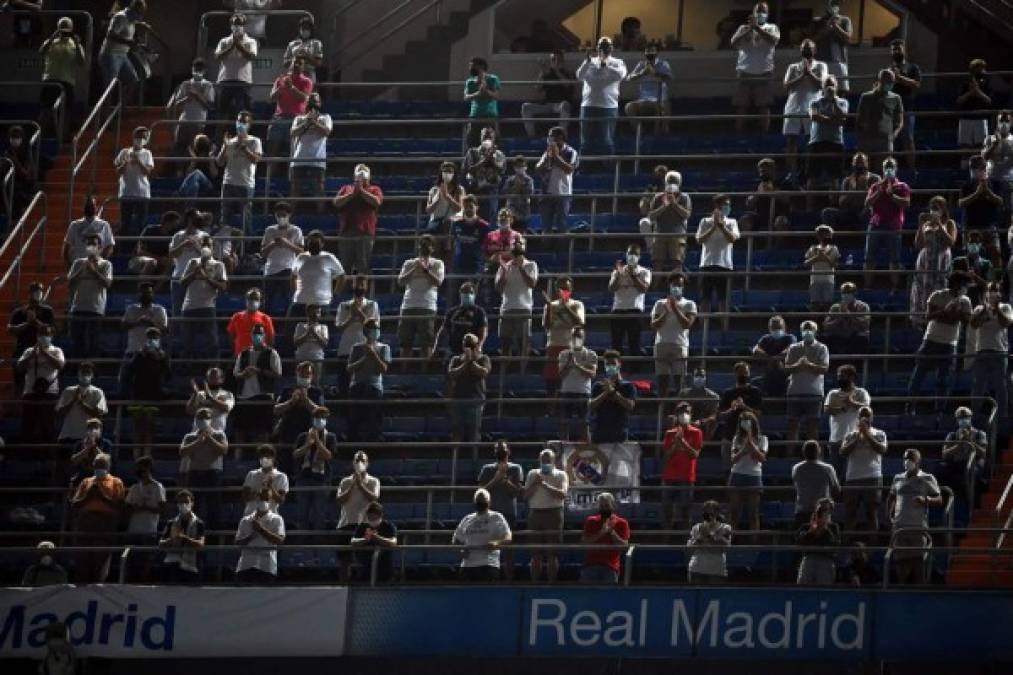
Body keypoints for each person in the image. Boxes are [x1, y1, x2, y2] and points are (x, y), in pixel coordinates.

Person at [906, 272, 972, 414]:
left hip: (950, 344)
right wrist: (946, 311)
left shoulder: (965, 301)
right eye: (964, 285)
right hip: (931, 340)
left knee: (944, 380)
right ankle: (909, 406)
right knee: (918, 375)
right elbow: (929, 316)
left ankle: (939, 410)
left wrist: (953, 313)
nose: (966, 288)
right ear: (956, 284)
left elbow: (965, 320)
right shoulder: (938, 295)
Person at [887, 449, 942, 584]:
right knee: (901, 567)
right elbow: (891, 497)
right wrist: (890, 516)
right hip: (900, 529)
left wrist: (925, 500)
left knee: (919, 566)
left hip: (918, 528)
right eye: (905, 459)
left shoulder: (928, 478)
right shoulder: (897, 478)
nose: (907, 462)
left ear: (918, 461)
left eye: (911, 459)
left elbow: (939, 499)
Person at [70, 454, 125, 583]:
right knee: (82, 558)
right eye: (97, 464)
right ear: (93, 465)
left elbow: (120, 505)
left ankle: (98, 585)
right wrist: (88, 496)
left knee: (101, 559)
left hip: (105, 524)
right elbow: (75, 504)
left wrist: (102, 496)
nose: (99, 467)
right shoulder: (86, 482)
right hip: (85, 523)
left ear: (108, 466)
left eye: (102, 465)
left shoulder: (116, 482)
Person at [730, 2, 780, 134]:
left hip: (764, 72)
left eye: (763, 11)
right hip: (744, 72)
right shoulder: (743, 28)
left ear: (768, 14)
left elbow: (773, 41)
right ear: (753, 12)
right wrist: (749, 29)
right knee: (742, 106)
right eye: (758, 11)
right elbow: (733, 43)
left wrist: (757, 28)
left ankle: (764, 135)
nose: (761, 13)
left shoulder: (772, 27)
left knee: (764, 106)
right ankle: (738, 135)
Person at [477, 441, 524, 580]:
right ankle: (488, 580)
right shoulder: (487, 469)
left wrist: (504, 480)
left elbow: (517, 493)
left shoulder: (516, 468)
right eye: (498, 449)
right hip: (489, 513)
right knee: (488, 549)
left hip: (508, 513)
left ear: (509, 451)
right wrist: (495, 479)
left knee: (508, 551)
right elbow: (480, 492)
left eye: (503, 449)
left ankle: (509, 581)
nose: (501, 451)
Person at [864, 157, 910, 294]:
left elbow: (906, 203)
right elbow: (867, 203)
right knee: (869, 258)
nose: (889, 169)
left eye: (891, 167)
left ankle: (894, 288)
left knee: (894, 259)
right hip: (876, 224)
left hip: (893, 225)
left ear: (896, 169)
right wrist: (879, 192)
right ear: (883, 169)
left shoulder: (902, 186)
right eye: (886, 167)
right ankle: (867, 286)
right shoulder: (875, 186)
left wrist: (891, 195)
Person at [232, 324, 282, 452]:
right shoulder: (243, 353)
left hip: (263, 395)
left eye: (260, 333)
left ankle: (263, 455)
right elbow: (236, 374)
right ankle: (239, 455)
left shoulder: (272, 353)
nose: (257, 336)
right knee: (240, 428)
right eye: (255, 333)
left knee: (263, 429)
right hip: (244, 395)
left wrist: (259, 371)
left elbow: (277, 373)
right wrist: (244, 373)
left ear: (264, 335)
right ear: (251, 335)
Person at [123, 328, 172, 455]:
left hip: (154, 395)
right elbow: (130, 371)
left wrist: (161, 359)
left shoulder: (163, 356)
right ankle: (136, 455)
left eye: (155, 338)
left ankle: (146, 455)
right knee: (138, 427)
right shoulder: (139, 354)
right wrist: (142, 355)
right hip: (138, 394)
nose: (152, 340)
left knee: (149, 427)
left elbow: (168, 376)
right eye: (150, 337)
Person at [179, 234, 227, 363]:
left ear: (213, 248)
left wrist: (207, 278)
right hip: (189, 306)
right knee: (186, 342)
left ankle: (214, 369)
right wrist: (194, 273)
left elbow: (223, 287)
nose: (206, 247)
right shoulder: (193, 262)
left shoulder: (219, 265)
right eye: (204, 245)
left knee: (212, 342)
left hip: (208, 307)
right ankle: (185, 370)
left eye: (209, 245)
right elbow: (182, 283)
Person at [782, 40, 827, 174]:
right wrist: (803, 75)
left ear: (815, 50)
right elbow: (786, 86)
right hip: (793, 105)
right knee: (791, 140)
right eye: (803, 48)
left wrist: (810, 73)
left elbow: (822, 85)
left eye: (809, 48)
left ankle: (809, 171)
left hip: (813, 106)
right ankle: (792, 172)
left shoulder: (821, 66)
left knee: (811, 140)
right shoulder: (793, 67)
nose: (806, 50)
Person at [910, 197, 957, 325]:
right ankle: (922, 321)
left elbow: (951, 242)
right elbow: (918, 244)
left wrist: (940, 225)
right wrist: (920, 225)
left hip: (942, 259)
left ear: (943, 209)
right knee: (922, 288)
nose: (933, 210)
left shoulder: (949, 223)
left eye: (936, 208)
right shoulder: (926, 225)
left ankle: (939, 318)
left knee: (940, 287)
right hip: (926, 260)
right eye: (932, 208)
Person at [576, 36, 626, 155]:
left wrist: (605, 65)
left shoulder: (618, 62)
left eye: (606, 45)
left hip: (608, 107)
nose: (604, 48)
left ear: (612, 48)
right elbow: (579, 76)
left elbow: (621, 75)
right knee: (586, 142)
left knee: (607, 141)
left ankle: (609, 169)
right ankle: (584, 168)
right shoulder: (590, 61)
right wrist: (587, 63)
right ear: (597, 47)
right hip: (588, 105)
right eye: (601, 45)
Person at [841, 406, 887, 534]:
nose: (865, 418)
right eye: (862, 415)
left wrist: (867, 435)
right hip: (852, 478)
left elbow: (882, 450)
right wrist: (857, 437)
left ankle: (872, 549)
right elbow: (843, 452)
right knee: (850, 514)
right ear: (858, 418)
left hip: (872, 477)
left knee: (872, 514)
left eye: (867, 415)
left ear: (872, 417)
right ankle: (847, 547)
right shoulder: (850, 435)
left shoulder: (880, 433)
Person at [524, 448, 569, 584]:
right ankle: (535, 583)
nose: (545, 462)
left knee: (552, 553)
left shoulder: (561, 474)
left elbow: (563, 494)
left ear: (553, 460)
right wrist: (534, 483)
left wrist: (544, 484)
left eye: (547, 460)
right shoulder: (532, 474)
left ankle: (551, 583)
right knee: (535, 553)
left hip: (554, 513)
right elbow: (525, 495)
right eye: (543, 460)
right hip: (535, 513)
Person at [398, 235, 445, 362]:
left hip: (427, 306)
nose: (425, 247)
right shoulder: (409, 263)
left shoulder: (437, 263)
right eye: (423, 244)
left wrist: (425, 270)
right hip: (408, 305)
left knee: (426, 343)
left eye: (429, 244)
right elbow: (401, 281)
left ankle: (424, 373)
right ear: (419, 246)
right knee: (405, 343)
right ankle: (404, 372)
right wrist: (414, 268)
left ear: (433, 248)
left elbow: (438, 282)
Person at [784, 321, 831, 448]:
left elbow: (824, 369)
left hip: (814, 393)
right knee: (792, 426)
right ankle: (790, 456)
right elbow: (787, 368)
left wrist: (809, 365)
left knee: (812, 427)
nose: (807, 331)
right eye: (805, 329)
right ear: (801, 331)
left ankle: (813, 456)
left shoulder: (822, 348)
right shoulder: (793, 348)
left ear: (815, 331)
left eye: (810, 329)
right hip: (794, 392)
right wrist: (798, 365)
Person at [695, 194, 739, 329]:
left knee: (723, 299)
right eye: (725, 204)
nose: (728, 207)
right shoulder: (705, 221)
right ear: (717, 206)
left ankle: (724, 329)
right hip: (707, 264)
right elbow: (699, 239)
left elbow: (733, 239)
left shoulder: (732, 222)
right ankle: (704, 328)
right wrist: (713, 227)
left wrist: (722, 226)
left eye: (729, 205)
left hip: (724, 265)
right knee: (705, 299)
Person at [179, 408, 228, 529]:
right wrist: (198, 441)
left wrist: (209, 439)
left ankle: (214, 538)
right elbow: (182, 452)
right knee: (193, 506)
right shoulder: (189, 436)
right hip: (195, 473)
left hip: (212, 474)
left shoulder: (219, 434)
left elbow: (223, 450)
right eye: (200, 418)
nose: (202, 420)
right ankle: (192, 532)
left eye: (205, 417)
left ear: (211, 419)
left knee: (214, 507)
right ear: (196, 420)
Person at [39, 16, 87, 139]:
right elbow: (41, 52)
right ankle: (41, 135)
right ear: (58, 28)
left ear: (71, 29)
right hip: (50, 80)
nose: (64, 31)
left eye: (67, 28)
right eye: (62, 28)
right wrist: (52, 37)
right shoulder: (51, 41)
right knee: (46, 110)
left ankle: (64, 136)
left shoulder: (76, 44)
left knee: (66, 112)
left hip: (67, 82)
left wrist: (76, 43)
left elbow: (82, 62)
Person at [336, 451, 381, 580]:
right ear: (353, 463)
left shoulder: (373, 481)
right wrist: (352, 485)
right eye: (357, 460)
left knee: (364, 559)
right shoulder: (345, 481)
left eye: (363, 460)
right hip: (345, 524)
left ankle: (363, 583)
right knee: (344, 560)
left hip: (364, 524)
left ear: (368, 463)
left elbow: (374, 498)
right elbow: (339, 500)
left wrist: (361, 485)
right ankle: (343, 584)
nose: (359, 463)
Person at [67, 233, 113, 358]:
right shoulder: (78, 262)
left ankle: (92, 370)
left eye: (94, 244)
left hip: (95, 309)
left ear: (100, 247)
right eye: (88, 244)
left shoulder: (106, 264)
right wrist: (81, 270)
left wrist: (93, 271)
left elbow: (107, 284)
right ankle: (75, 370)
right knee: (77, 342)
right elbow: (69, 282)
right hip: (78, 307)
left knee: (94, 342)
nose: (91, 246)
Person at [333, 163, 384, 276]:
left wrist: (361, 191)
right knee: (344, 267)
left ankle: (360, 292)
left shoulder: (374, 189)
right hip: (347, 232)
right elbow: (337, 202)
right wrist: (352, 194)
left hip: (365, 232)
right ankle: (343, 292)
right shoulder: (346, 188)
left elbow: (377, 202)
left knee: (363, 266)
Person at [651, 272, 696, 398]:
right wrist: (665, 312)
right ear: (669, 285)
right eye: (674, 284)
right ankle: (661, 413)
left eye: (679, 285)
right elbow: (654, 325)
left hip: (680, 345)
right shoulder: (660, 303)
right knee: (662, 383)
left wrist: (675, 308)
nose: (676, 287)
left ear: (683, 286)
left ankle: (680, 413)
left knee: (679, 384)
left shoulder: (689, 304)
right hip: (661, 345)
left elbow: (687, 324)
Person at [970, 282, 1011, 421]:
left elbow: (1006, 323)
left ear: (1000, 293)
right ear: (986, 293)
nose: (992, 293)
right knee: (978, 385)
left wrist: (997, 308)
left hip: (999, 352)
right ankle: (975, 415)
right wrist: (984, 310)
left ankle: (1003, 415)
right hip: (981, 351)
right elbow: (973, 324)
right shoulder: (978, 308)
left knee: (1000, 385)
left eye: (995, 290)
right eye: (990, 290)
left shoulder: (1006, 307)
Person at [495, 237, 538, 368]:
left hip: (523, 308)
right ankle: (504, 371)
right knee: (505, 341)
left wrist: (521, 268)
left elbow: (532, 284)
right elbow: (498, 288)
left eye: (520, 244)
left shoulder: (531, 264)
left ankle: (523, 371)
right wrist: (505, 272)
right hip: (507, 308)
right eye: (514, 244)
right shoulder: (504, 267)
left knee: (523, 342)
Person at [216, 110, 262, 234]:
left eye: (244, 121)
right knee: (225, 217)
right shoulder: (229, 141)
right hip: (228, 183)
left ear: (249, 125)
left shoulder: (254, 141)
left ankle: (246, 247)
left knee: (245, 218)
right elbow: (219, 162)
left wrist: (244, 147)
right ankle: (224, 247)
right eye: (239, 120)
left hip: (245, 184)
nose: (240, 123)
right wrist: (224, 146)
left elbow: (256, 159)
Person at [17, 324, 64, 445]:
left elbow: (60, 365)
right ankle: (27, 457)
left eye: (47, 334)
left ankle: (47, 458)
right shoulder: (29, 351)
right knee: (28, 426)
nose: (44, 337)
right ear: (37, 336)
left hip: (49, 393)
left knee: (48, 426)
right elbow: (19, 367)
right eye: (42, 334)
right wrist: (32, 356)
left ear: (52, 336)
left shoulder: (56, 350)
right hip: (30, 392)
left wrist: (44, 353)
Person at [453, 487, 512, 582]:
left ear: (489, 503)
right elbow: (456, 539)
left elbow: (508, 537)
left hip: (489, 564)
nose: (481, 504)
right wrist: (460, 551)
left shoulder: (497, 517)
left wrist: (496, 543)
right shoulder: (467, 519)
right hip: (468, 565)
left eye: (483, 502)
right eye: (479, 502)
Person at [346, 319, 391, 442]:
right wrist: (364, 358)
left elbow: (384, 369)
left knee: (374, 416)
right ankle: (352, 440)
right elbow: (349, 368)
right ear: (365, 331)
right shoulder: (356, 347)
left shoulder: (384, 347)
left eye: (376, 328)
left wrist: (373, 354)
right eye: (371, 329)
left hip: (374, 386)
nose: (374, 331)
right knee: (354, 416)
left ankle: (374, 440)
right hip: (357, 385)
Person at [7, 281, 54, 396]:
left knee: (40, 384)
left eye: (41, 291)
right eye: (36, 291)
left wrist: (35, 321)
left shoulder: (47, 310)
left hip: (42, 351)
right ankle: (18, 409)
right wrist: (27, 323)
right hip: (22, 349)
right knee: (20, 382)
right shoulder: (19, 312)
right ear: (30, 293)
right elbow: (10, 329)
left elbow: (51, 330)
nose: (39, 293)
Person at [288, 92, 332, 213]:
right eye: (310, 101)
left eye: (316, 101)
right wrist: (307, 122)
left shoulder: (326, 117)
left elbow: (326, 132)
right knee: (295, 189)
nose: (313, 104)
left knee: (319, 189)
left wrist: (314, 122)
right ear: (306, 103)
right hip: (299, 159)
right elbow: (293, 133)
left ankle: (321, 216)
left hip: (317, 160)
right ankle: (290, 216)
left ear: (320, 103)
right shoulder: (299, 119)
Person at [293, 407, 336, 531]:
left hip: (322, 480)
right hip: (303, 479)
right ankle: (301, 545)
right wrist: (307, 445)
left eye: (323, 418)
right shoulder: (303, 436)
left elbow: (328, 456)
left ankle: (318, 543)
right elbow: (296, 454)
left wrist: (317, 441)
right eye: (318, 418)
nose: (320, 420)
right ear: (313, 419)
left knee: (319, 515)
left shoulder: (331, 437)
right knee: (302, 515)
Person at [662, 402, 703, 530]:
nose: (684, 415)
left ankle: (686, 540)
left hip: (687, 476)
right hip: (670, 476)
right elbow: (667, 457)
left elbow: (695, 455)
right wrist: (675, 443)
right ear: (677, 415)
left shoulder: (697, 433)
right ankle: (667, 538)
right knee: (667, 510)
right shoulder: (669, 433)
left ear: (691, 415)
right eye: (681, 412)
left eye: (687, 412)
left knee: (686, 510)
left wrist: (683, 442)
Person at [808, 78, 850, 205]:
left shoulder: (842, 102)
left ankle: (834, 205)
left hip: (835, 143)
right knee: (812, 177)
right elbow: (814, 116)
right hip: (817, 142)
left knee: (835, 177)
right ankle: (809, 207)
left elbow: (842, 119)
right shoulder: (814, 101)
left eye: (832, 85)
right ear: (822, 87)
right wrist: (833, 121)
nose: (830, 87)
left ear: (836, 87)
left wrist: (833, 101)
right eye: (827, 85)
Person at [214, 14, 258, 132]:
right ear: (231, 25)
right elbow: (217, 57)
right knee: (222, 113)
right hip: (225, 81)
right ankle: (219, 142)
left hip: (243, 82)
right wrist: (231, 47)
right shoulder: (224, 41)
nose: (237, 26)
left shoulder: (251, 41)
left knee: (243, 113)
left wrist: (239, 46)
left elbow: (252, 56)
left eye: (239, 24)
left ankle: (245, 139)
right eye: (234, 23)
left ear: (244, 26)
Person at [715, 362, 764, 470]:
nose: (743, 375)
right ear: (735, 374)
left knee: (749, 471)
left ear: (749, 373)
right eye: (740, 372)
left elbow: (758, 414)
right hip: (730, 437)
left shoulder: (755, 391)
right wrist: (731, 409)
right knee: (728, 471)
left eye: (745, 372)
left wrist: (744, 406)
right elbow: (720, 416)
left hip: (751, 438)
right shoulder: (728, 392)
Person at [447, 333, 490, 453]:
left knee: (474, 432)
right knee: (456, 431)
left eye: (471, 345)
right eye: (467, 344)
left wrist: (471, 361)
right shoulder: (456, 359)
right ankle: (455, 462)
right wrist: (465, 363)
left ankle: (474, 460)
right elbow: (452, 374)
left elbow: (483, 372)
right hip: (458, 400)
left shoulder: (483, 358)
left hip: (476, 401)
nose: (469, 347)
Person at [124, 456, 165, 582]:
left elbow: (161, 509)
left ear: (149, 469)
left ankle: (144, 582)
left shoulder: (158, 487)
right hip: (134, 529)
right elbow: (127, 508)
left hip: (149, 530)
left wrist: (146, 507)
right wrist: (135, 508)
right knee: (131, 560)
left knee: (147, 560)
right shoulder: (134, 488)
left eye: (142, 469)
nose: (140, 472)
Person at [167, 58, 215, 164]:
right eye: (195, 68)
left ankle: (190, 169)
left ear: (204, 71)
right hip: (183, 121)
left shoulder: (208, 85)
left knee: (194, 148)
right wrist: (187, 98)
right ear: (192, 69)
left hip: (198, 123)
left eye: (200, 69)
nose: (197, 71)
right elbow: (176, 104)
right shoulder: (185, 84)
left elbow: (209, 106)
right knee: (179, 147)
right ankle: (177, 171)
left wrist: (197, 96)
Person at [260, 201, 305, 316]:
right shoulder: (269, 230)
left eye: (283, 215)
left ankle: (288, 326)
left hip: (288, 269)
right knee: (267, 302)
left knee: (289, 300)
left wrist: (287, 243)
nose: (281, 217)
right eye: (278, 215)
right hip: (270, 270)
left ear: (289, 215)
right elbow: (263, 253)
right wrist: (273, 244)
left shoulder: (296, 230)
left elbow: (301, 252)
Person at [542, 277, 585, 395]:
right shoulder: (550, 305)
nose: (563, 290)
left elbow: (580, 322)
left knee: (567, 381)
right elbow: (547, 325)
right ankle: (550, 410)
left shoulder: (577, 304)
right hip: (553, 346)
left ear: (571, 289)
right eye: (561, 288)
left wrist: (566, 307)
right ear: (556, 290)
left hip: (569, 347)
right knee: (551, 381)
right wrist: (550, 307)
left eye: (566, 288)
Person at [235, 487, 286, 584]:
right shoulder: (245, 520)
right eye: (261, 498)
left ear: (271, 500)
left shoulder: (277, 519)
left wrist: (261, 529)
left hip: (266, 567)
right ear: (256, 499)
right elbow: (238, 542)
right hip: (245, 566)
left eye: (266, 498)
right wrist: (251, 535)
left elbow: (279, 540)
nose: (263, 501)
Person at [608, 243, 651, 357]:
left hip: (634, 310)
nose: (632, 256)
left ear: (639, 256)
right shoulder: (617, 271)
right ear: (626, 255)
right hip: (618, 310)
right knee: (616, 344)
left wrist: (633, 276)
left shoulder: (644, 272)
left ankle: (634, 370)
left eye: (635, 254)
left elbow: (644, 288)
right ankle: (617, 370)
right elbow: (611, 288)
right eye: (630, 253)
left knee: (634, 343)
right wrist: (618, 275)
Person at [336, 278, 379, 392]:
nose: (359, 286)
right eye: (357, 283)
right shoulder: (343, 305)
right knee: (344, 387)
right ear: (352, 285)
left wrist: (359, 313)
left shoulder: (372, 305)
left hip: (364, 349)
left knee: (362, 387)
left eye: (362, 284)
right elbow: (339, 327)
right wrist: (351, 316)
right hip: (345, 349)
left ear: (366, 287)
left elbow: (374, 326)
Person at [290, 229, 345, 318]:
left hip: (322, 303)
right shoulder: (301, 257)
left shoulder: (329, 257)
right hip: (300, 301)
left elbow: (341, 276)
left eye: (316, 243)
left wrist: (335, 293)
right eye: (311, 243)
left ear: (322, 244)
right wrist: (295, 292)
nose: (313, 245)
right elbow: (293, 276)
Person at [937, 406, 989, 499]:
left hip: (973, 463)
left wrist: (970, 442)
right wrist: (959, 445)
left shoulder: (980, 434)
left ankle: (971, 500)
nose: (963, 420)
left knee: (971, 473)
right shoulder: (952, 435)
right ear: (957, 419)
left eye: (966, 417)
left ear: (970, 417)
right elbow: (944, 455)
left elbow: (983, 453)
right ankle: (944, 499)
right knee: (940, 469)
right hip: (956, 463)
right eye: (960, 418)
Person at [855, 70, 903, 168]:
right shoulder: (866, 97)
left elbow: (900, 120)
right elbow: (859, 119)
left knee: (883, 170)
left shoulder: (896, 98)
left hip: (885, 140)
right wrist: (862, 137)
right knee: (865, 170)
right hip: (867, 140)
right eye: (889, 81)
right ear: (880, 80)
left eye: (892, 81)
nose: (891, 83)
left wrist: (893, 135)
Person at [536, 126, 579, 237]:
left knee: (561, 224)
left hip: (563, 193)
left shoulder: (571, 152)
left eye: (551, 137)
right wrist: (547, 158)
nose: (549, 139)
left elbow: (569, 169)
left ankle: (562, 252)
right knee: (546, 226)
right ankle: (546, 250)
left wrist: (556, 157)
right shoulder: (547, 152)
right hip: (546, 193)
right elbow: (537, 168)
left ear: (559, 138)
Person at [646, 170, 692, 273]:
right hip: (659, 235)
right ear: (666, 182)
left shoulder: (685, 197)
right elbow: (651, 216)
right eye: (670, 181)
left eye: (675, 181)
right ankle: (655, 288)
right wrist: (664, 206)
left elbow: (687, 215)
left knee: (677, 263)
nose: (672, 183)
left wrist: (674, 204)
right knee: (657, 264)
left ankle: (677, 287)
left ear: (679, 183)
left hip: (677, 236)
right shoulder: (658, 197)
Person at [521, 50, 574, 139]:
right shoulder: (547, 74)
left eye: (558, 59)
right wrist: (542, 71)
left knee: (566, 105)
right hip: (547, 104)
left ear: (562, 61)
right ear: (550, 61)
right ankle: (531, 137)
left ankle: (561, 137)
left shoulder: (568, 73)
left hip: (560, 105)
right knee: (526, 107)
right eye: (553, 59)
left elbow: (568, 85)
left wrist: (557, 72)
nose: (556, 62)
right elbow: (537, 88)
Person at [821, 152, 880, 231]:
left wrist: (865, 188)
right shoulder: (847, 180)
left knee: (869, 211)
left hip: (865, 210)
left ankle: (866, 241)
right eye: (857, 162)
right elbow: (841, 203)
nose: (859, 165)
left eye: (861, 162)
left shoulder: (875, 178)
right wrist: (851, 191)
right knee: (827, 212)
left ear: (867, 164)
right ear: (853, 164)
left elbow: (878, 199)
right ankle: (828, 240)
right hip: (850, 211)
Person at [579, 493, 630, 584]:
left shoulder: (622, 523)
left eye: (606, 505)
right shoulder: (591, 521)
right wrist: (601, 533)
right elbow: (584, 543)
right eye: (601, 506)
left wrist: (612, 532)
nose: (604, 509)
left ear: (613, 505)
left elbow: (624, 547)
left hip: (611, 566)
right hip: (591, 564)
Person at [728, 411, 767, 532]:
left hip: (754, 476)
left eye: (747, 421)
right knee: (734, 513)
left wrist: (751, 444)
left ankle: (754, 546)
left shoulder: (762, 439)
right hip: (737, 475)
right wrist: (744, 449)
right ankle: (729, 543)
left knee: (753, 514)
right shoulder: (736, 439)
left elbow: (761, 458)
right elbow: (733, 459)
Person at [98, 0, 147, 92]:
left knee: (133, 81)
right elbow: (110, 35)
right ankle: (106, 106)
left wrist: (140, 24)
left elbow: (128, 25)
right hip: (111, 54)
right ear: (133, 8)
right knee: (109, 87)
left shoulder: (131, 20)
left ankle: (122, 105)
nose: (140, 15)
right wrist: (129, 42)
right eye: (139, 12)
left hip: (123, 55)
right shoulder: (120, 17)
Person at [823, 364, 871, 460]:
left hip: (856, 439)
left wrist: (852, 402)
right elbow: (827, 410)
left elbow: (866, 408)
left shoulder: (861, 392)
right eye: (838, 376)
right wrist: (842, 409)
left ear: (851, 377)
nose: (839, 379)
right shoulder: (833, 393)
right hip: (836, 439)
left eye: (842, 376)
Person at [887, 39, 921, 172]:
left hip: (907, 108)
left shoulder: (913, 67)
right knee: (890, 140)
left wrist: (899, 78)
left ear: (904, 50)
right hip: (890, 110)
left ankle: (913, 169)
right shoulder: (888, 70)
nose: (896, 51)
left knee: (908, 138)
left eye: (898, 48)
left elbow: (916, 84)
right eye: (894, 49)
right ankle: (889, 170)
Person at [589, 351, 637, 444]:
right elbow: (591, 406)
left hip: (619, 432)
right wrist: (605, 393)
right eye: (607, 364)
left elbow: (630, 406)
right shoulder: (598, 386)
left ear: (619, 364)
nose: (610, 366)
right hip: (599, 432)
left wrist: (613, 392)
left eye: (613, 363)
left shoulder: (628, 386)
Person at [55, 362, 108, 445]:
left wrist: (81, 403)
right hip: (67, 436)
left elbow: (99, 414)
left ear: (92, 375)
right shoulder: (68, 390)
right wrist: (73, 400)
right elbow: (59, 412)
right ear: (78, 373)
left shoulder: (98, 392)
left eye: (88, 372)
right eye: (83, 372)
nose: (85, 374)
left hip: (88, 437)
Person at [159, 489, 205, 583]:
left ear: (192, 503)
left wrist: (185, 539)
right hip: (173, 565)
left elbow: (201, 545)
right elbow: (161, 544)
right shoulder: (171, 523)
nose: (183, 505)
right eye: (180, 502)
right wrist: (172, 540)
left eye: (186, 502)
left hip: (191, 566)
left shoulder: (199, 523)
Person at [624, 44, 672, 133]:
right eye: (647, 51)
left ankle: (664, 134)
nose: (650, 53)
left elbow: (669, 78)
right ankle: (641, 133)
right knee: (629, 107)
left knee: (666, 106)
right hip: (644, 100)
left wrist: (655, 73)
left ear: (657, 53)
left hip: (660, 99)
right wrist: (641, 73)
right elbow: (628, 78)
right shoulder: (641, 64)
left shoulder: (663, 64)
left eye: (652, 51)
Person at [793, 441, 841, 527]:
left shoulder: (796, 468)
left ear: (803, 452)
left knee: (803, 538)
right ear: (818, 451)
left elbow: (796, 486)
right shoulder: (828, 468)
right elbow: (837, 490)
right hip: (822, 512)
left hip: (802, 511)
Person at [463, 126, 506, 221]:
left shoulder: (499, 154)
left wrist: (492, 160)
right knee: (474, 220)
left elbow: (501, 171)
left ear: (494, 139)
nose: (487, 139)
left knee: (490, 222)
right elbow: (469, 169)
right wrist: (484, 160)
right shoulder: (472, 152)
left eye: (489, 137)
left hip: (491, 192)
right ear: (480, 138)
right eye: (484, 136)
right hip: (475, 192)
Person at [426, 161, 465, 262]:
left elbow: (459, 208)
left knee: (448, 226)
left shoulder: (459, 189)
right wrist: (437, 199)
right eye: (445, 170)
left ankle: (447, 249)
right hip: (436, 222)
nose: (447, 173)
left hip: (453, 222)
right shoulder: (434, 190)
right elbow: (428, 210)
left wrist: (447, 197)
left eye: (450, 171)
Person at [796, 497, 841, 586]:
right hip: (809, 558)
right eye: (820, 509)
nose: (822, 512)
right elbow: (799, 542)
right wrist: (811, 532)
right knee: (803, 586)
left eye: (825, 510)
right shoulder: (806, 526)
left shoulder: (833, 527)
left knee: (825, 587)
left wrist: (825, 529)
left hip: (826, 559)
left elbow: (835, 545)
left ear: (830, 511)